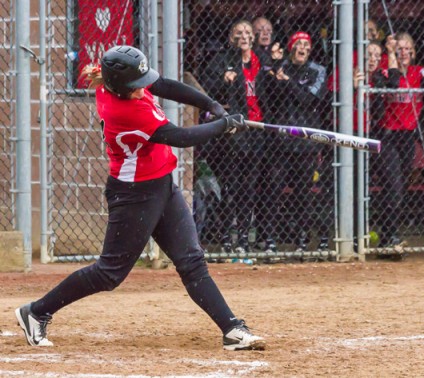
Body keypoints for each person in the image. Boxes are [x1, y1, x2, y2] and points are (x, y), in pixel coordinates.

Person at [14, 45, 265, 351]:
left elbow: (165, 85)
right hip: (134, 195)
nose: (144, 88)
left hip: (161, 185)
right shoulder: (127, 110)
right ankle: (36, 312)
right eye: (137, 86)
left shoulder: (121, 86)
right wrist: (223, 125)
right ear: (120, 88)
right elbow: (180, 137)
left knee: (191, 261)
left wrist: (210, 103)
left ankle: (231, 329)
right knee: (109, 273)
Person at [259, 31, 330, 253]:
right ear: (291, 47)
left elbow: (309, 100)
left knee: (304, 192)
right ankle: (268, 238)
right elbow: (269, 95)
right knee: (273, 189)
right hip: (281, 142)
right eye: (298, 44)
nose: (302, 48)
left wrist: (287, 82)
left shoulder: (317, 70)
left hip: (306, 143)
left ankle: (302, 239)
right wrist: (275, 68)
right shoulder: (281, 67)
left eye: (306, 44)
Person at [201, 20, 267, 254]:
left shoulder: (261, 61)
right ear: (231, 37)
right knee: (231, 184)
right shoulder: (222, 60)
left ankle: (247, 234)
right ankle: (229, 235)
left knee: (250, 186)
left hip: (256, 129)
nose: (244, 36)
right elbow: (206, 88)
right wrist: (223, 79)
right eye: (239, 32)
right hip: (234, 132)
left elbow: (271, 92)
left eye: (248, 32)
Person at [374, 31, 424, 248]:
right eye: (399, 48)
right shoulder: (384, 70)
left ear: (413, 52)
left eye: (407, 49)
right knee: (393, 185)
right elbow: (393, 83)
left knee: (400, 187)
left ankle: (387, 233)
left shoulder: (418, 72)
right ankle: (388, 236)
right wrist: (391, 54)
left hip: (407, 138)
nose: (403, 52)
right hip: (386, 136)